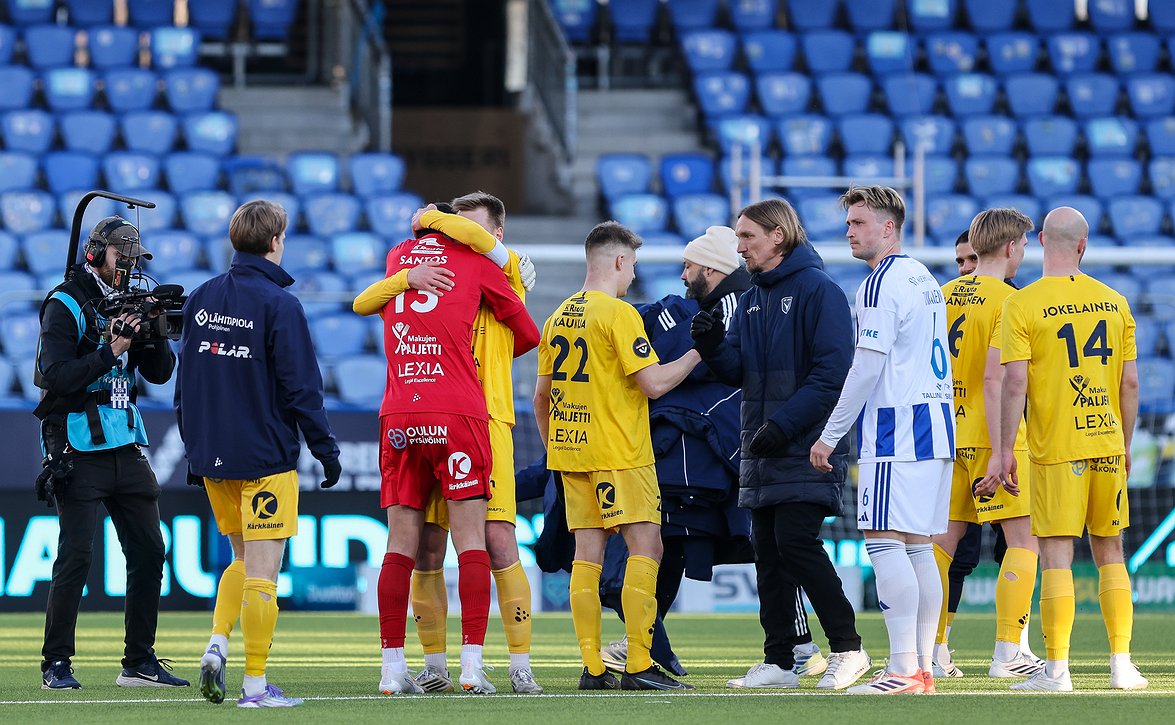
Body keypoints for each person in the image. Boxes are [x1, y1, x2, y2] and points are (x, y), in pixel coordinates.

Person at [355, 193, 543, 694]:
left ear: (495, 236)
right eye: (454, 227)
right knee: (434, 549)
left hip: (480, 416)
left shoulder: (501, 267)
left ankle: (518, 664)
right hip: (456, 414)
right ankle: (442, 666)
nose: (462, 236)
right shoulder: (461, 267)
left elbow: (362, 302)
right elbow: (528, 334)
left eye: (471, 230)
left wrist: (425, 224)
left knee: (497, 541)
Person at [690, 201, 871, 692]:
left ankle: (849, 648)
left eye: (747, 237)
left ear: (777, 235)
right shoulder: (753, 298)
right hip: (764, 445)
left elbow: (832, 375)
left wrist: (785, 426)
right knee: (767, 552)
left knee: (796, 543)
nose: (740, 246)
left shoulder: (820, 290)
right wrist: (711, 347)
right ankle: (779, 659)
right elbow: (740, 372)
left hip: (807, 444)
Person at [176, 200, 341, 708]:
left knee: (242, 560)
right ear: (276, 242)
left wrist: (194, 447)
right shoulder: (281, 306)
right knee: (264, 573)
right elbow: (302, 389)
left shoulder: (201, 298)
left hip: (211, 455)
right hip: (265, 457)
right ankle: (253, 685)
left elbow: (186, 383)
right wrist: (325, 450)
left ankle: (217, 642)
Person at [533, 221, 702, 691]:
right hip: (621, 453)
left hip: (571, 454)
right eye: (632, 268)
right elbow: (653, 384)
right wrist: (696, 353)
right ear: (619, 261)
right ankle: (639, 664)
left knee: (587, 557)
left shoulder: (558, 315)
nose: (632, 279)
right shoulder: (619, 314)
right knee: (647, 549)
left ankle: (592, 668)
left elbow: (540, 397)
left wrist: (555, 451)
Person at [598, 226, 761, 679]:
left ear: (711, 267)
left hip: (694, 457)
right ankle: (644, 645)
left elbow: (671, 366)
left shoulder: (726, 307)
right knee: (660, 550)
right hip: (697, 456)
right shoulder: (705, 306)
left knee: (778, 544)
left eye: (689, 265)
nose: (682, 274)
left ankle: (801, 647)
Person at [34, 216, 189, 691]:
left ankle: (139, 661)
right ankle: (55, 663)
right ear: (97, 253)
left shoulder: (130, 300)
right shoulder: (65, 303)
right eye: (123, 257)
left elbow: (160, 374)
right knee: (76, 557)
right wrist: (110, 348)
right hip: (76, 442)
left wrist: (153, 330)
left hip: (124, 439)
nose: (129, 267)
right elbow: (53, 376)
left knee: (149, 551)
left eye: (134, 259)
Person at [998, 207, 1148, 692]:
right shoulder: (1115, 302)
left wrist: (1004, 450)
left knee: (1057, 556)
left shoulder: (1023, 304)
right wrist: (1123, 445)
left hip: (1055, 447)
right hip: (1106, 442)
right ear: (1083, 246)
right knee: (1111, 552)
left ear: (1041, 240)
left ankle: (1057, 670)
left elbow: (1014, 380)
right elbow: (1129, 383)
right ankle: (1122, 664)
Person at [812, 186, 954, 695]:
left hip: (898, 431)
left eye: (858, 222)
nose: (849, 231)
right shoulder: (924, 277)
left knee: (883, 542)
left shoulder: (879, 283)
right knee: (918, 546)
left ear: (888, 227)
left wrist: (830, 434)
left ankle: (901, 668)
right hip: (936, 428)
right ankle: (922, 668)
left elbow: (867, 367)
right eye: (848, 222)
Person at [934, 208, 1043, 681]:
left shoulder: (942, 295)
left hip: (944, 433)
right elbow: (997, 377)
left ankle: (932, 649)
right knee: (1024, 540)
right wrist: (1002, 451)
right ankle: (1008, 651)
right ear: (1011, 247)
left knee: (941, 543)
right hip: (994, 435)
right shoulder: (1012, 301)